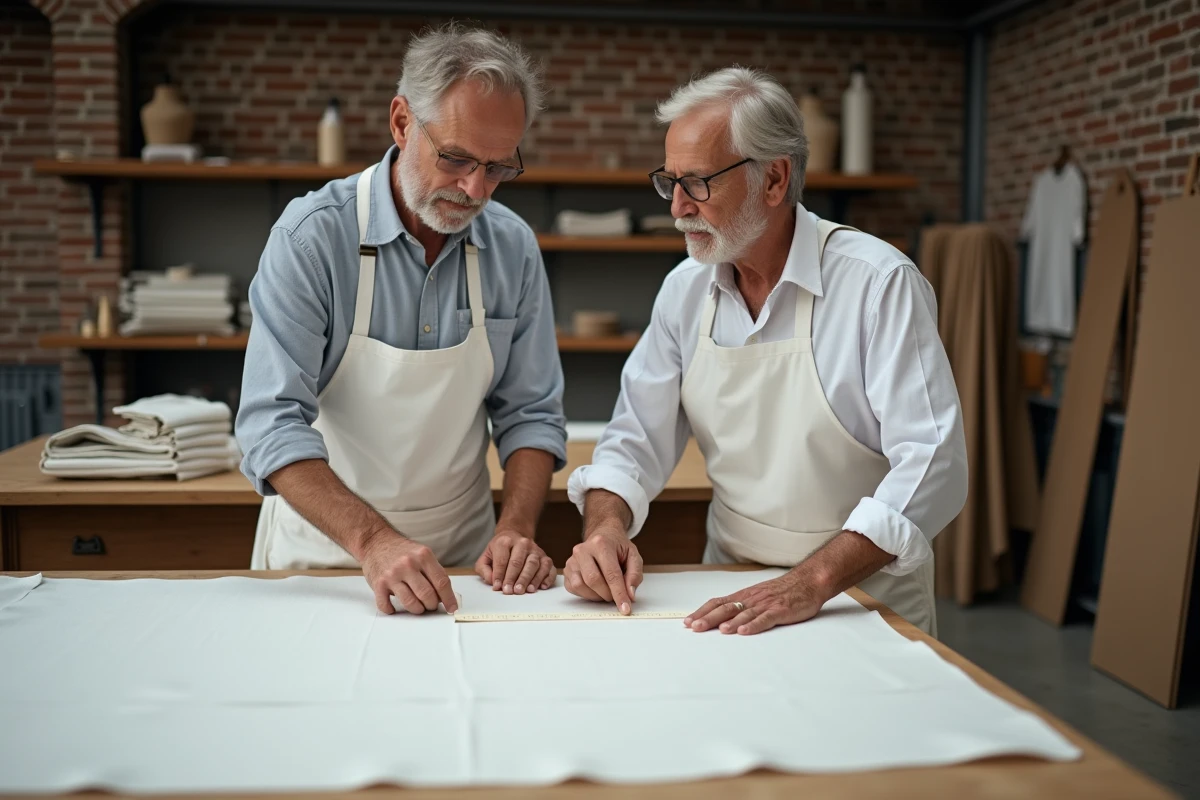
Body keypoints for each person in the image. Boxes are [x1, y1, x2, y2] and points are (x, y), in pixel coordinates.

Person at [563, 68, 967, 636]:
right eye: (669, 181)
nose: (677, 207)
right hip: (726, 588)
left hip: (862, 599)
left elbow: (934, 463)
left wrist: (811, 582)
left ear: (774, 181)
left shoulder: (877, 283)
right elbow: (633, 439)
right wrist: (604, 529)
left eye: (698, 183)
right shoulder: (685, 290)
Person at [236, 23, 567, 616]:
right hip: (327, 563)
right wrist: (374, 542)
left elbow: (531, 414)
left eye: (497, 168)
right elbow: (270, 424)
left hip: (465, 566)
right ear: (400, 122)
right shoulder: (312, 239)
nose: (474, 189)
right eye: (457, 158)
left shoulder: (512, 248)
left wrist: (515, 527)